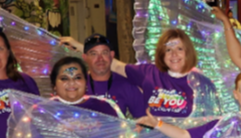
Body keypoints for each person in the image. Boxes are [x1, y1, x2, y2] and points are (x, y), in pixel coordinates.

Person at [63, 28, 216, 120]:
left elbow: (210, 122)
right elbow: (113, 64)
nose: (174, 55)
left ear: (188, 52)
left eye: (179, 49)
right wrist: (79, 46)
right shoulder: (149, 73)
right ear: (162, 54)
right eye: (168, 50)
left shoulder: (201, 83)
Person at [79, 33, 146, 118]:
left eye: (104, 53)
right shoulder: (76, 84)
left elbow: (144, 120)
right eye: (94, 54)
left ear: (112, 55)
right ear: (85, 57)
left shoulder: (126, 85)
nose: (100, 59)